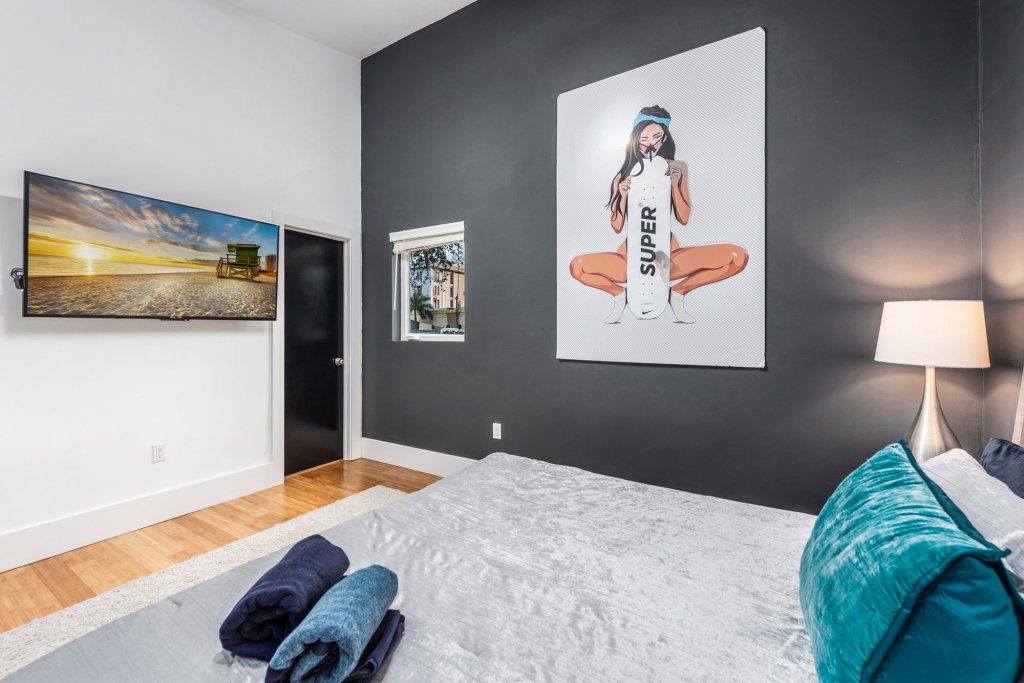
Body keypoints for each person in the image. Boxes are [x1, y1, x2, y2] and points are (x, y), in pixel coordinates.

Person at [569, 105, 748, 323]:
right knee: (578, 266)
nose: (650, 144)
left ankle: (678, 293)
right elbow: (616, 226)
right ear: (635, 141)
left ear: (665, 138)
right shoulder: (623, 176)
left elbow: (684, 218)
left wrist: (675, 184)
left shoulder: (678, 167)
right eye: (644, 139)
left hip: (665, 259)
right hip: (630, 259)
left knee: (737, 257)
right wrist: (622, 196)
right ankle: (619, 296)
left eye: (656, 138)